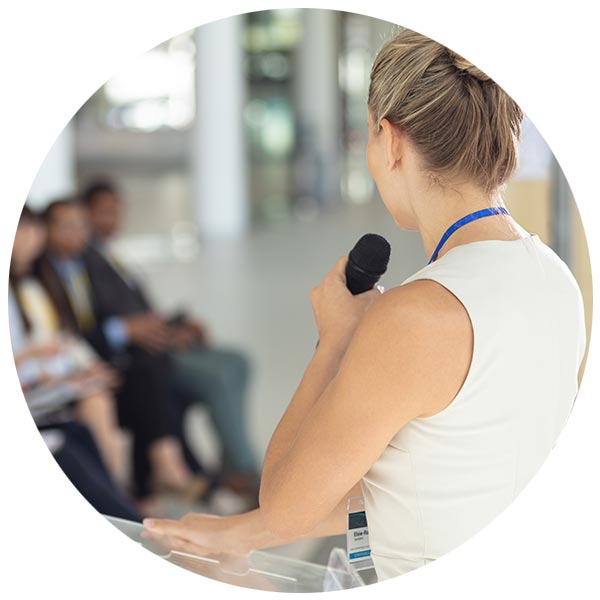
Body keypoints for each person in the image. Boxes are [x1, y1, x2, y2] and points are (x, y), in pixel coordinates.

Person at [143, 27, 587, 583]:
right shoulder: (555, 278)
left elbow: (284, 501)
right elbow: (437, 476)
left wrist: (336, 341)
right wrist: (238, 533)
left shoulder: (414, 317)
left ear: (389, 139)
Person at [79, 179, 260, 502]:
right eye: (104, 211)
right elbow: (112, 322)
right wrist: (146, 332)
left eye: (117, 210)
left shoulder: (111, 257)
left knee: (237, 361)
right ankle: (245, 470)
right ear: (87, 214)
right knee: (217, 377)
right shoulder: (86, 262)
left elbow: (141, 312)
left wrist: (176, 326)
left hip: (159, 341)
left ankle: (234, 459)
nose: (113, 218)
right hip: (144, 355)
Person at [33, 199, 219, 511]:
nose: (76, 234)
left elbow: (119, 312)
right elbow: (72, 334)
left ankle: (153, 486)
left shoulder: (90, 261)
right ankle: (159, 478)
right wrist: (121, 333)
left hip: (95, 361)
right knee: (151, 380)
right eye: (66, 226)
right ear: (45, 231)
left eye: (81, 225)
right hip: (69, 371)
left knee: (161, 383)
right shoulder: (42, 274)